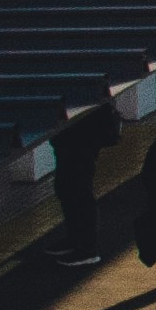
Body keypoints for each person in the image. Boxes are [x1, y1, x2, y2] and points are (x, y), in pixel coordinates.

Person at [52, 94, 122, 269]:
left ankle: (87, 249)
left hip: (82, 135)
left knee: (79, 189)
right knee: (66, 186)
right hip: (76, 135)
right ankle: (74, 239)